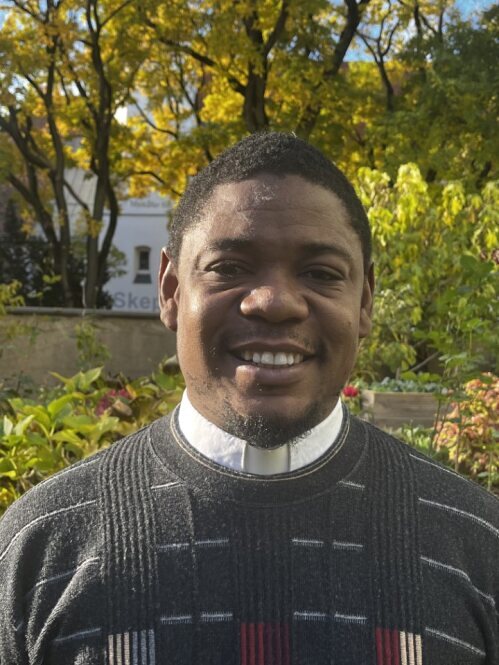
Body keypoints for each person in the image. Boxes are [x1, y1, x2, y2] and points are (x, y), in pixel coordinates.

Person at [0, 132, 497, 665]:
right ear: (170, 291)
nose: (275, 303)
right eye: (229, 267)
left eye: (321, 274)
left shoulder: (477, 543)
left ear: (365, 302)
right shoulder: (40, 547)